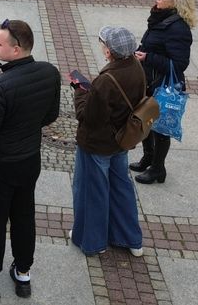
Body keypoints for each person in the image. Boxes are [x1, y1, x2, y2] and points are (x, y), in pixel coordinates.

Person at [0, 20, 60, 301]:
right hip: (29, 160)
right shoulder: (49, 72)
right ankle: (22, 274)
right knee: (23, 216)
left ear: (16, 49)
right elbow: (50, 115)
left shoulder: (0, 86)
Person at [70, 26, 146, 259]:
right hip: (121, 141)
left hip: (97, 145)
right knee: (122, 188)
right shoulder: (137, 68)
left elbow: (89, 118)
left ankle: (92, 242)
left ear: (109, 52)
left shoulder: (106, 80)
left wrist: (80, 90)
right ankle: (131, 239)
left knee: (93, 192)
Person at [131, 0, 197, 184]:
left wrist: (147, 57)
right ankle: (148, 158)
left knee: (160, 128)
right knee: (145, 121)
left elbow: (179, 64)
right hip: (150, 80)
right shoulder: (161, 18)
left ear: (175, 2)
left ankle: (158, 169)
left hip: (163, 85)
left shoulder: (178, 29)